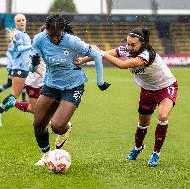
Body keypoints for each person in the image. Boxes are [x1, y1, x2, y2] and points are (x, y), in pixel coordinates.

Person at [76, 27, 178, 167]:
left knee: (163, 116)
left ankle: (156, 153)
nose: (129, 47)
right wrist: (83, 60)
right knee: (143, 123)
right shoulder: (127, 50)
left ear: (142, 43)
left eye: (133, 45)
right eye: (128, 44)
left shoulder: (147, 55)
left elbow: (123, 65)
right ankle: (138, 147)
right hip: (147, 90)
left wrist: (102, 53)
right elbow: (101, 54)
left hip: (166, 86)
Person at [29, 14, 110, 166]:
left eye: (57, 35)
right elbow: (32, 68)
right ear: (46, 31)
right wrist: (33, 63)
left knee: (57, 126)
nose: (54, 38)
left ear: (62, 30)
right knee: (38, 124)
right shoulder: (39, 39)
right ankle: (46, 156)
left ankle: (66, 128)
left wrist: (100, 82)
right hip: (51, 84)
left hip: (73, 85)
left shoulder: (72, 42)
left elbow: (97, 55)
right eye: (51, 35)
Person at [0, 13, 32, 127]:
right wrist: (33, 46)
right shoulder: (18, 34)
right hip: (19, 68)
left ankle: (43, 118)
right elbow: (20, 49)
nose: (21, 22)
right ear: (15, 23)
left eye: (23, 20)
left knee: (35, 92)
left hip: (26, 67)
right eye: (18, 20)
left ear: (26, 21)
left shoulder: (25, 35)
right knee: (14, 95)